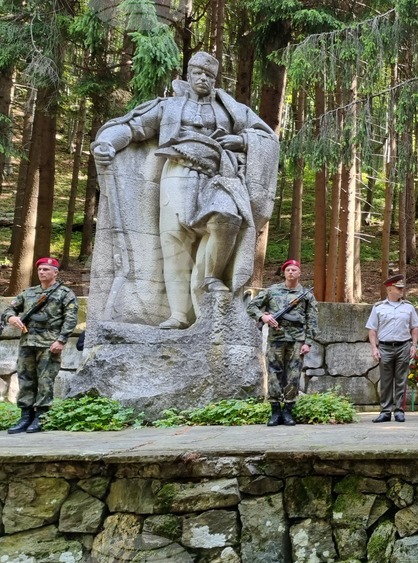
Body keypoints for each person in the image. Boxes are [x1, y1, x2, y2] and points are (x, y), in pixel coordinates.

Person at [91, 51, 278, 329]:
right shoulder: (167, 106)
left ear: (215, 79)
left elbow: (266, 136)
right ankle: (179, 314)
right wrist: (107, 142)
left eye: (209, 75)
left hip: (218, 175)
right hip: (176, 173)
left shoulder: (232, 109)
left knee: (226, 218)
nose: (203, 78)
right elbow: (133, 126)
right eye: (198, 73)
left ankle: (212, 277)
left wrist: (240, 139)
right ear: (188, 75)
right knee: (175, 241)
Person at [2, 258, 78, 434]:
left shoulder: (64, 293)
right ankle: (25, 416)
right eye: (40, 269)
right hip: (28, 342)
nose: (42, 272)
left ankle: (40, 417)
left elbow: (71, 318)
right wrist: (11, 318)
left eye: (46, 269)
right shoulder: (28, 293)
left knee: (45, 381)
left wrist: (61, 340)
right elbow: (9, 309)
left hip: (49, 344)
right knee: (26, 379)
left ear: (55, 272)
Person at [246, 259, 317, 426]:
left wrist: (308, 342)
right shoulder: (272, 291)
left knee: (293, 376)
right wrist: (264, 316)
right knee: (273, 374)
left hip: (297, 340)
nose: (291, 272)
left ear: (299, 273)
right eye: (287, 270)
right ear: (284, 273)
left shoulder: (306, 295)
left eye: (294, 270)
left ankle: (288, 411)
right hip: (276, 339)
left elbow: (312, 320)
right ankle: (275, 411)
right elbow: (252, 306)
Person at [365, 275, 418, 422]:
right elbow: (372, 329)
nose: (402, 290)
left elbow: (415, 328)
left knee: (401, 380)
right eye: (398, 288)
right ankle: (385, 411)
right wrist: (374, 348)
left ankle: (399, 410)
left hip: (403, 346)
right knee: (386, 380)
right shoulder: (378, 308)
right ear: (389, 289)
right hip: (385, 347)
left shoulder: (408, 307)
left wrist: (414, 345)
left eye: (402, 288)